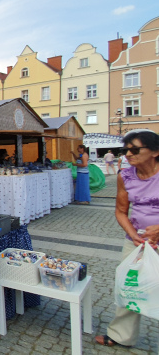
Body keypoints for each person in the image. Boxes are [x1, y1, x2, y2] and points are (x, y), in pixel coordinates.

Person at [95, 131, 159, 347]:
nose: (129, 154)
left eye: (135, 149)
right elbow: (121, 211)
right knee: (130, 286)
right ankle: (121, 335)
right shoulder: (125, 175)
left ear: (155, 152)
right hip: (137, 241)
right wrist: (132, 234)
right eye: (126, 150)